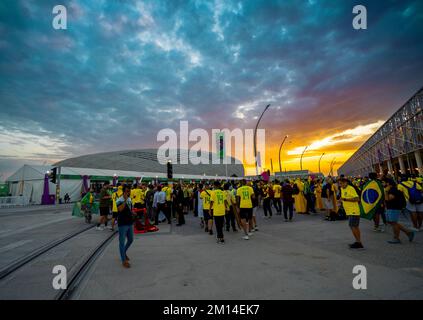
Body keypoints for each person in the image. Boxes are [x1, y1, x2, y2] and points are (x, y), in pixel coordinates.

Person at [383, 178, 415, 244]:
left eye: (383, 182)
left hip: (394, 208)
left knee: (394, 223)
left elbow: (388, 199)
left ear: (388, 183)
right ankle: (408, 232)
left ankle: (396, 238)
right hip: (390, 208)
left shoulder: (393, 190)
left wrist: (386, 192)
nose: (382, 184)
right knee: (391, 222)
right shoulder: (391, 189)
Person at [340, 178, 363, 249]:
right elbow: (344, 198)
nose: (340, 185)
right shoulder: (342, 189)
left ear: (345, 182)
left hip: (354, 211)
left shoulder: (351, 188)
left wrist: (345, 199)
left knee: (353, 226)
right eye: (339, 183)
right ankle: (358, 242)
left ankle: (358, 242)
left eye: (341, 183)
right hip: (349, 211)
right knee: (353, 226)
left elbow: (357, 199)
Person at [116, 185, 135, 268]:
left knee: (131, 239)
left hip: (129, 222)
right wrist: (125, 200)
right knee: (122, 242)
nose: (128, 192)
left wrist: (132, 213)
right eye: (127, 191)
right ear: (123, 191)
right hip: (122, 223)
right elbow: (120, 209)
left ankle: (123, 252)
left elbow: (130, 209)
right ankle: (124, 261)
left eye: (129, 191)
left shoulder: (130, 199)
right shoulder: (119, 199)